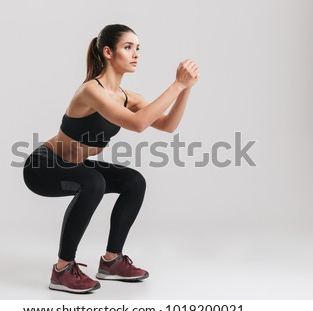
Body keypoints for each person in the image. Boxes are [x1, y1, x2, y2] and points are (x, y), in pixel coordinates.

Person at [23, 24, 199, 294]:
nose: (135, 54)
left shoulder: (128, 97)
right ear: (108, 52)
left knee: (133, 181)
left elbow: (168, 125)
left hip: (75, 167)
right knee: (93, 182)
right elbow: (139, 124)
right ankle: (62, 269)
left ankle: (111, 261)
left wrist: (185, 89)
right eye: (128, 47)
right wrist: (176, 84)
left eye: (138, 48)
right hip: (43, 167)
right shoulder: (91, 91)